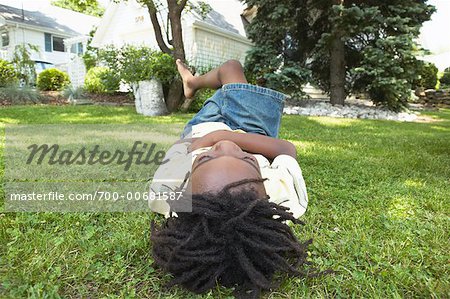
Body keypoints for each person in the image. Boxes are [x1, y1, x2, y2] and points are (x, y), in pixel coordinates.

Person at [149, 59, 310, 298]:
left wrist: (208, 139)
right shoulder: (280, 199)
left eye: (204, 160)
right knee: (231, 69)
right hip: (253, 131)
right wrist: (223, 136)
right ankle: (192, 83)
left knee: (229, 73)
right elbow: (286, 149)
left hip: (202, 128)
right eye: (247, 160)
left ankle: (191, 83)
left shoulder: (170, 196)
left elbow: (177, 150)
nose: (226, 145)